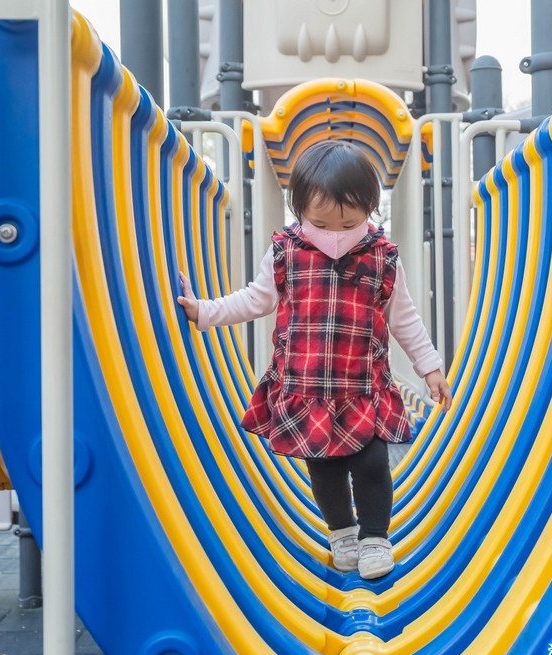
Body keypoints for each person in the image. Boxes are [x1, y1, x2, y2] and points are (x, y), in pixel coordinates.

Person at [178, 140, 452, 580]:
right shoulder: (286, 251)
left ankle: (376, 538)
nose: (336, 234)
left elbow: (405, 319)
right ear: (300, 209)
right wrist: (205, 311)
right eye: (321, 223)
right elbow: (255, 299)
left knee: (372, 464)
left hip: (362, 387)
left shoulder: (383, 258)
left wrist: (430, 367)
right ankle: (342, 532)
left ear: (369, 208)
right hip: (307, 388)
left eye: (349, 221)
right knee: (323, 469)